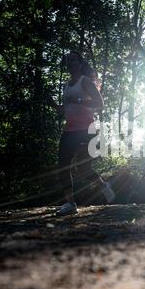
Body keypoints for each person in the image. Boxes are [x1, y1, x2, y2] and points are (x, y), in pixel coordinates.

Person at [54, 51, 115, 216]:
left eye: (73, 60)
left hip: (86, 130)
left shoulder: (85, 81)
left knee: (83, 168)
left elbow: (99, 103)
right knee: (62, 166)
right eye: (67, 61)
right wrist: (57, 107)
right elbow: (68, 109)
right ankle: (70, 204)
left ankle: (103, 185)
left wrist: (79, 100)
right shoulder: (66, 86)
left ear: (80, 64)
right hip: (69, 129)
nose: (69, 63)